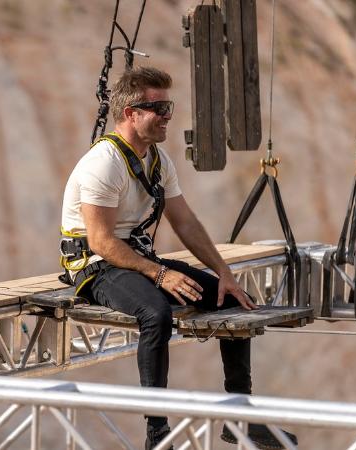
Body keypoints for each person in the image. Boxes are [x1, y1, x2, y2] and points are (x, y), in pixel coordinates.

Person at [59, 66, 297, 449]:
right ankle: (157, 434)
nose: (168, 116)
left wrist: (225, 274)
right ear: (130, 113)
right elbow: (101, 242)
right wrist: (159, 275)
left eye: (169, 106)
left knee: (227, 299)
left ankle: (241, 419)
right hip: (96, 267)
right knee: (155, 314)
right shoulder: (104, 163)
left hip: (134, 258)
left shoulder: (157, 161)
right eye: (159, 108)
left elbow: (185, 222)